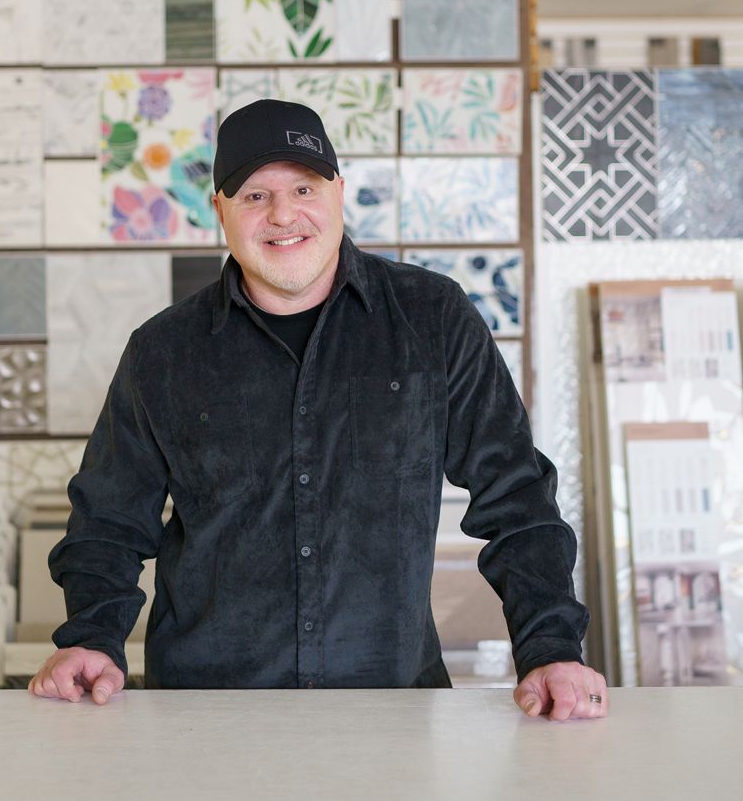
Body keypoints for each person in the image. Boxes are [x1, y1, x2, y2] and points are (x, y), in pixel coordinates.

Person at [30, 99, 608, 721]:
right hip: (204, 719)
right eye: (254, 195)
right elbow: (108, 523)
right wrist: (91, 637)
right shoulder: (162, 352)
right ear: (219, 210)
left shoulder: (432, 319)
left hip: (392, 713)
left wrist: (550, 646)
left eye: (303, 187)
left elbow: (516, 497)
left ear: (338, 191)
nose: (283, 214)